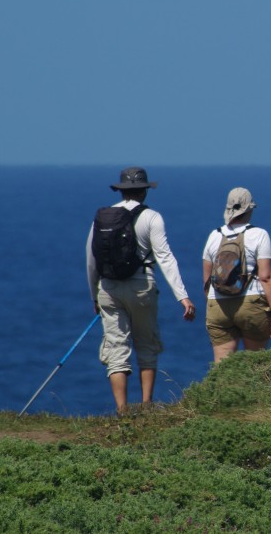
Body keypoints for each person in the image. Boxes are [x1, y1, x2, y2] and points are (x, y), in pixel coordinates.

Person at [86, 167, 196, 413]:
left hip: (108, 288)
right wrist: (183, 296)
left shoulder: (102, 218)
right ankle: (146, 406)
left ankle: (122, 409)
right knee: (146, 344)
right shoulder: (152, 218)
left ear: (121, 190)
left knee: (116, 347)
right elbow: (165, 257)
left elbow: (91, 260)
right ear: (145, 191)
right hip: (141, 286)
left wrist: (94, 295)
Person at [202, 187, 271, 363]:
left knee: (221, 368)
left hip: (218, 305)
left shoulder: (214, 236)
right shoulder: (259, 234)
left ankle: (221, 391)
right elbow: (266, 277)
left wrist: (214, 302)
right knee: (256, 365)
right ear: (249, 209)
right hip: (251, 304)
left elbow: (207, 279)